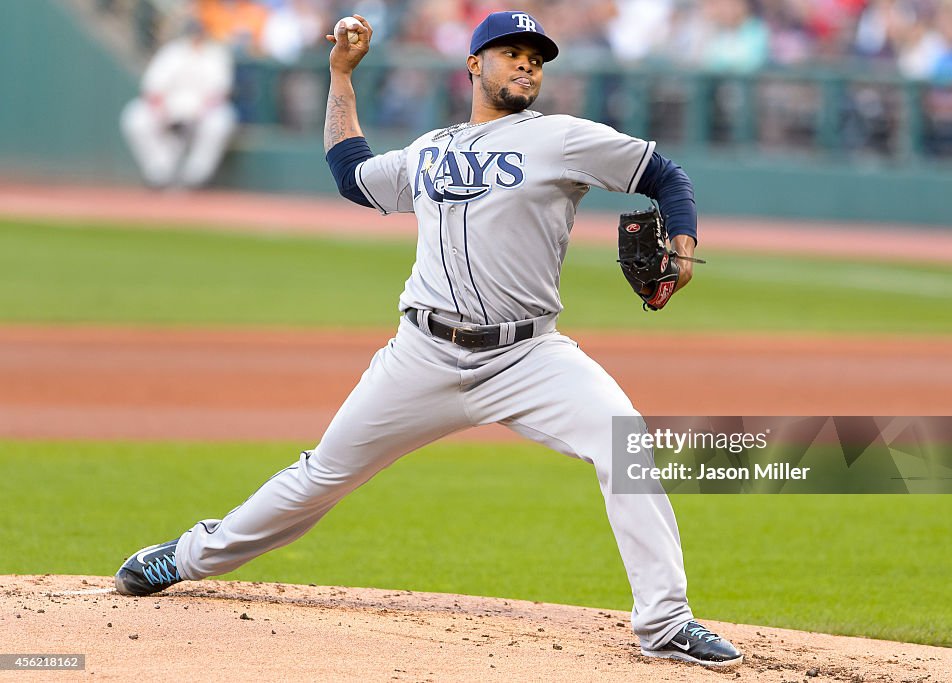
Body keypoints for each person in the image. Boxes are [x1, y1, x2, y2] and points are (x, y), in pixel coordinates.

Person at [113, 10, 743, 668]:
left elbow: (666, 175)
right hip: (422, 355)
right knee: (318, 476)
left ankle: (665, 621)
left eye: (536, 56)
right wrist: (340, 77)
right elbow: (351, 174)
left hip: (530, 355)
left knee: (626, 442)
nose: (527, 63)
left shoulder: (564, 138)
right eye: (510, 51)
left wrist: (685, 244)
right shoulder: (429, 148)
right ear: (474, 64)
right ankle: (184, 556)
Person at [120, 19, 237, 189]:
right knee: (135, 117)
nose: (196, 37)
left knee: (221, 120)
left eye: (199, 33)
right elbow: (152, 88)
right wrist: (163, 112)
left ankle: (196, 175)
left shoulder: (216, 55)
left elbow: (220, 93)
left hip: (203, 110)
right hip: (170, 107)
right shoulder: (172, 53)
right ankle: (159, 171)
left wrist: (196, 115)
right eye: (193, 33)